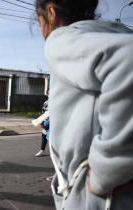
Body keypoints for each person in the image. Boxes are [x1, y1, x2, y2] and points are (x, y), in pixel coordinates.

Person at [35, 0, 133, 209]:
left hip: (101, 197)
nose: (41, 31)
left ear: (51, 13)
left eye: (39, 22)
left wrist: (108, 167)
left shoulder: (62, 37)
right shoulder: (114, 33)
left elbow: (128, 60)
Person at [35, 89, 49, 157]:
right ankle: (42, 150)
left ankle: (55, 153)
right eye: (49, 93)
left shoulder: (57, 102)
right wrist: (42, 122)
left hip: (54, 123)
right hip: (46, 121)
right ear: (47, 94)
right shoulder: (46, 103)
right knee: (44, 136)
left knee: (52, 138)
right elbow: (43, 112)